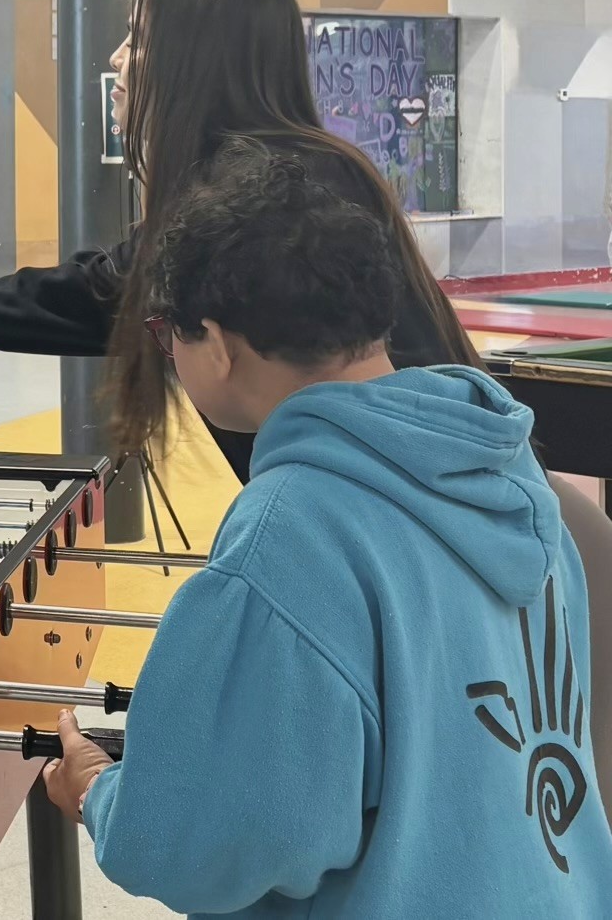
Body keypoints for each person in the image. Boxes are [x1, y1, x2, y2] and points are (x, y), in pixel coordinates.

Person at [41, 141, 612, 916]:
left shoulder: (289, 534)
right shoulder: (512, 478)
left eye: (165, 332)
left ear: (216, 343)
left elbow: (203, 844)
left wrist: (99, 793)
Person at [0, 0, 473, 482]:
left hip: (394, 506)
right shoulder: (313, 169)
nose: (117, 59)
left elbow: (44, 305)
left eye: (138, 39)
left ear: (195, 65)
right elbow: (56, 299)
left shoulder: (249, 208)